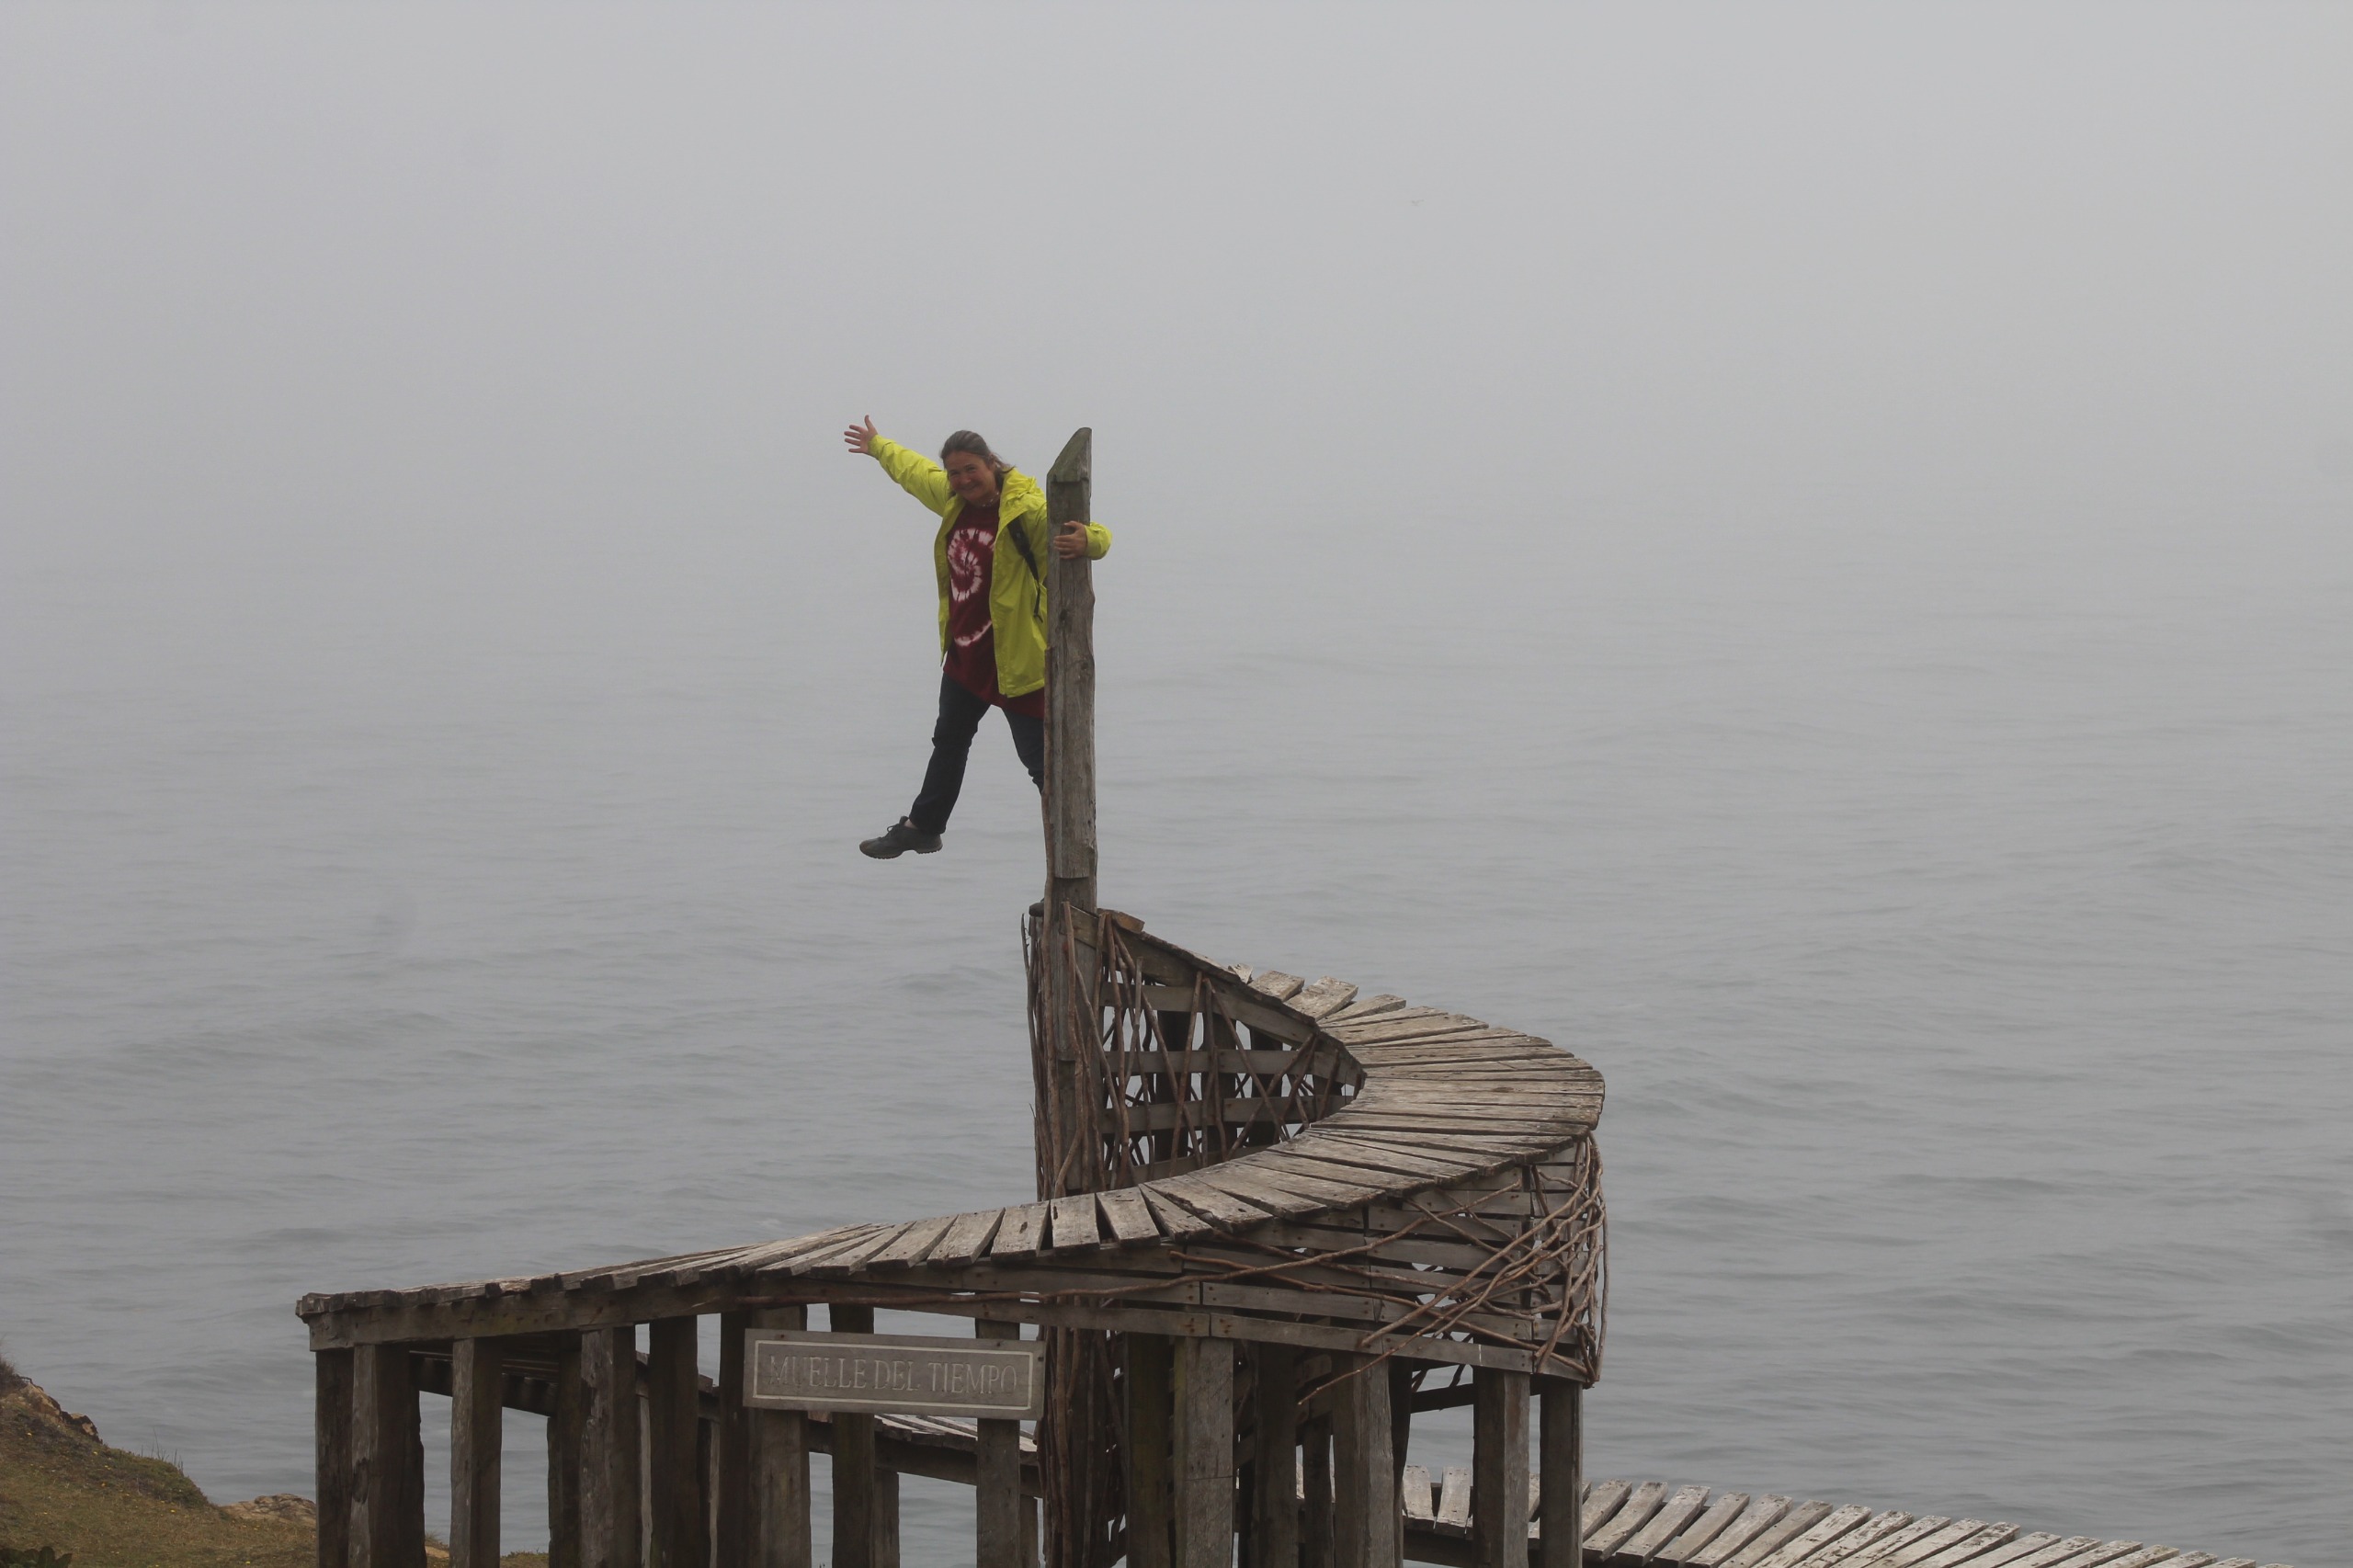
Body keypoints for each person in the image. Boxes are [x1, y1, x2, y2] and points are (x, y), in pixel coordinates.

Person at [843, 416, 1111, 858]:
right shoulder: (953, 500)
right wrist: (878, 446)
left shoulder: (1026, 511)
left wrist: (1090, 541)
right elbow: (915, 472)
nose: (964, 480)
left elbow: (1096, 534)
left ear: (992, 464)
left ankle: (1070, 861)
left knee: (1045, 768)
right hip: (967, 655)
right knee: (948, 741)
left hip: (1017, 661)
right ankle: (923, 827)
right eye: (955, 473)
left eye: (972, 469)